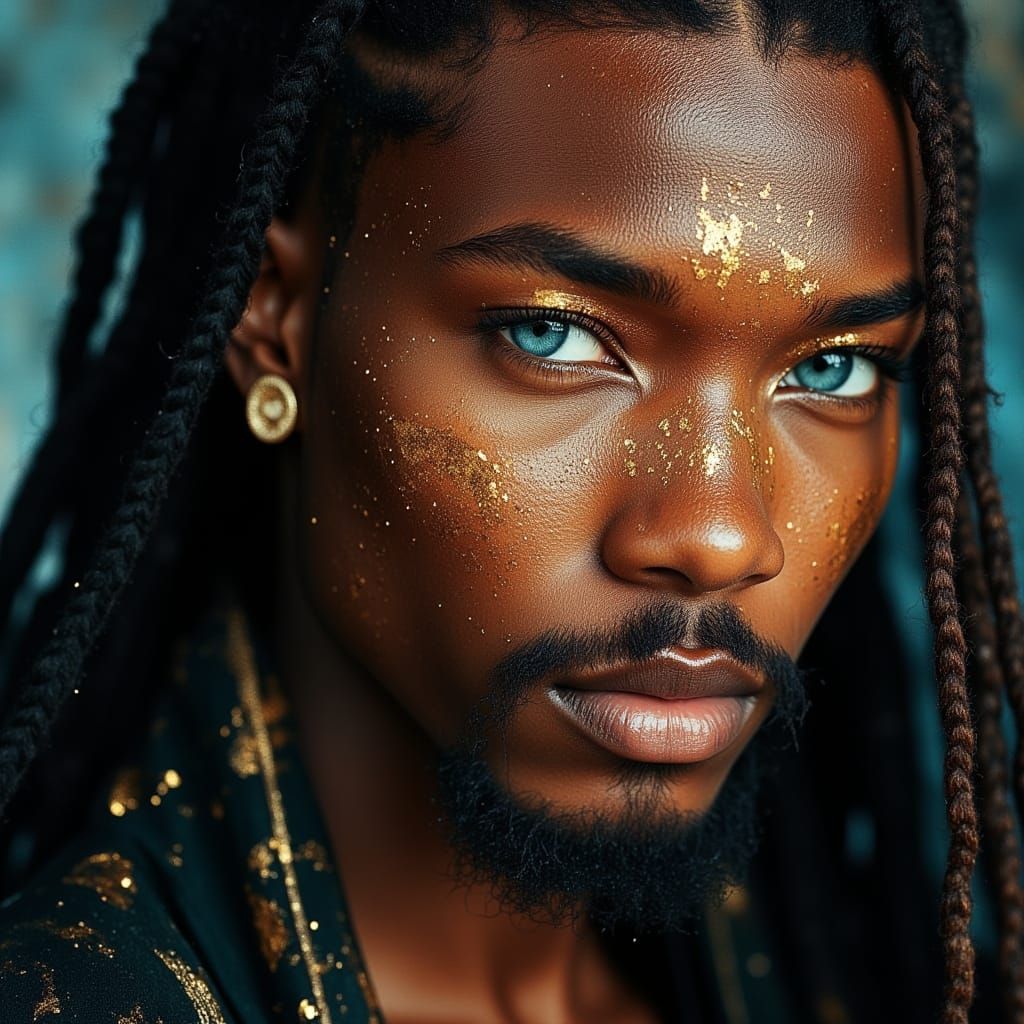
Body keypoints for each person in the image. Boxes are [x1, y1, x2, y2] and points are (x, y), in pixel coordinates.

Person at [0, 0, 1020, 1020]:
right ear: (272, 316)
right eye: (551, 339)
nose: (719, 536)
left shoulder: (862, 977)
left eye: (833, 368)